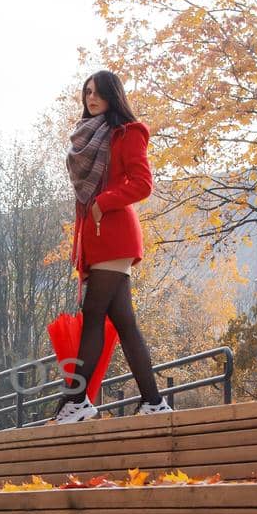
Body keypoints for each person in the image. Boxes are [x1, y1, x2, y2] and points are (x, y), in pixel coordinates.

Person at [50, 70, 171, 425]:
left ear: (111, 95)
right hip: (96, 240)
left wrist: (103, 201)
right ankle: (153, 402)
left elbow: (143, 184)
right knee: (124, 322)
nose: (91, 98)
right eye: (87, 92)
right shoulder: (86, 137)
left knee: (92, 317)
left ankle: (76, 400)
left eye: (98, 92)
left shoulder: (127, 133)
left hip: (115, 232)